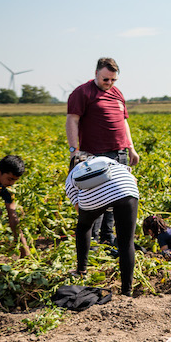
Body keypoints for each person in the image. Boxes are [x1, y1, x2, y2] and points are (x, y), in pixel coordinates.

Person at [66, 57, 140, 248]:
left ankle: (108, 239)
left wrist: (130, 147)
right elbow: (72, 120)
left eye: (113, 80)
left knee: (115, 197)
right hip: (95, 156)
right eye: (105, 79)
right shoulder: (82, 92)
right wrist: (74, 151)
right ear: (96, 73)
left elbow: (124, 122)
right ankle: (92, 242)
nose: (109, 83)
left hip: (119, 154)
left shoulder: (117, 93)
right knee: (96, 199)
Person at [65, 152, 140, 296]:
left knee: (83, 227)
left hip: (92, 198)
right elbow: (133, 179)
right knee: (126, 242)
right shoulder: (105, 160)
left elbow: (80, 211)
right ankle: (127, 291)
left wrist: (100, 203)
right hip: (126, 186)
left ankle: (81, 271)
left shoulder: (71, 177)